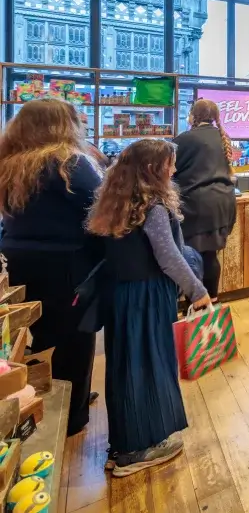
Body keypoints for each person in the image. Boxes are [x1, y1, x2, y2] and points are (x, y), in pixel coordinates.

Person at [87, 139, 212, 477]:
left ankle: (124, 444)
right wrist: (198, 291)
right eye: (169, 164)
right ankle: (141, 448)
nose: (174, 169)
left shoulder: (117, 203)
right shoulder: (154, 207)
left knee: (126, 365)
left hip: (122, 294)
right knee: (150, 364)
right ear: (154, 169)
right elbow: (169, 257)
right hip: (147, 296)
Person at [0, 99, 103, 436]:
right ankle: (72, 416)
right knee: (76, 338)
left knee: (36, 334)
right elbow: (102, 206)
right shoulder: (68, 163)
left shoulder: (9, 164)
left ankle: (35, 402)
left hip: (17, 261)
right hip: (68, 264)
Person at [173, 99, 237, 302]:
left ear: (193, 116)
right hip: (224, 204)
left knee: (190, 256)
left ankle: (196, 305)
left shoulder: (184, 139)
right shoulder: (223, 138)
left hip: (196, 205)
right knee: (210, 255)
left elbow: (168, 172)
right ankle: (211, 303)